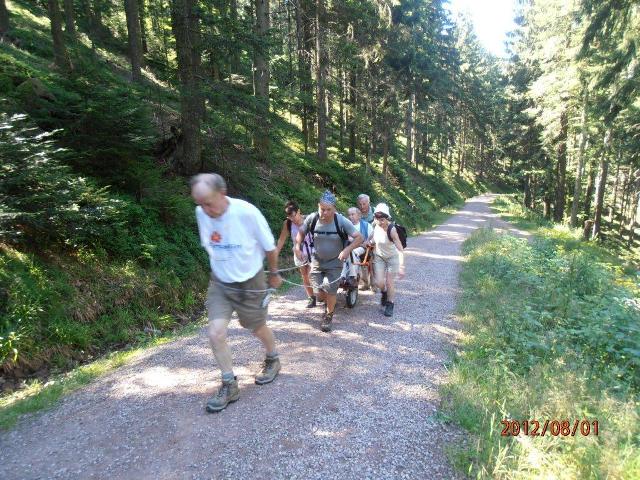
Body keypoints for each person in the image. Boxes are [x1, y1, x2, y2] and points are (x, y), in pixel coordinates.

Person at [191, 173, 283, 413]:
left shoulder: (247, 213)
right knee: (215, 332)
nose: (205, 210)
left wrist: (273, 273)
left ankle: (273, 357)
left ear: (222, 193)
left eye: (209, 203)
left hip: (250, 281)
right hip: (220, 282)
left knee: (255, 326)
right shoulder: (201, 212)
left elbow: (270, 248)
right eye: (200, 204)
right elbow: (212, 246)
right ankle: (229, 384)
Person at [295, 191, 363, 332]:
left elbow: (359, 238)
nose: (324, 213)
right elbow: (301, 233)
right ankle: (326, 302)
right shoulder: (312, 219)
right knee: (319, 295)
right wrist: (297, 247)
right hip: (317, 261)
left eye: (328, 210)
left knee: (331, 290)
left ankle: (328, 315)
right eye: (322, 209)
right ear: (318, 207)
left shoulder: (341, 221)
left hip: (335, 262)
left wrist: (347, 250)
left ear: (334, 209)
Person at [275, 200, 316, 308]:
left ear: (298, 211)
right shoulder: (288, 223)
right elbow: (281, 240)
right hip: (298, 252)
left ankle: (322, 294)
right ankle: (311, 297)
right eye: (289, 217)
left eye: (294, 216)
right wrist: (275, 254)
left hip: (313, 251)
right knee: (304, 275)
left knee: (313, 274)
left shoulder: (309, 220)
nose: (292, 219)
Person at [371, 203, 405, 317]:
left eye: (382, 219)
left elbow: (400, 249)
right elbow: (373, 238)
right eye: (377, 219)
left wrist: (402, 266)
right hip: (379, 257)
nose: (379, 222)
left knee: (389, 282)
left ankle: (390, 304)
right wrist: (368, 242)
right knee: (379, 282)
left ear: (387, 218)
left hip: (392, 258)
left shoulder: (392, 230)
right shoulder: (375, 226)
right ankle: (384, 292)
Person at [341, 207, 374, 286]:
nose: (350, 216)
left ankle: (352, 276)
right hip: (348, 247)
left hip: (362, 249)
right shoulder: (345, 226)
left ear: (359, 215)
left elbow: (373, 238)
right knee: (345, 254)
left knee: (352, 252)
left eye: (353, 214)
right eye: (349, 215)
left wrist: (369, 242)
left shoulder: (367, 225)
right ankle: (342, 277)